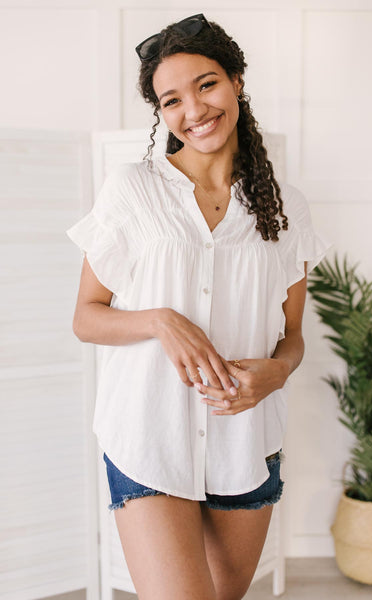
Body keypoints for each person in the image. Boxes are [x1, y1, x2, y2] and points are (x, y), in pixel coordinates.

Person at [67, 13, 330, 600]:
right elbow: (87, 316)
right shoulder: (132, 189)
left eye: (206, 84)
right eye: (171, 99)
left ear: (236, 81)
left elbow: (292, 336)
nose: (194, 109)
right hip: (147, 435)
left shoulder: (285, 207)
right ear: (160, 114)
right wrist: (162, 321)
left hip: (244, 441)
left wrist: (277, 373)